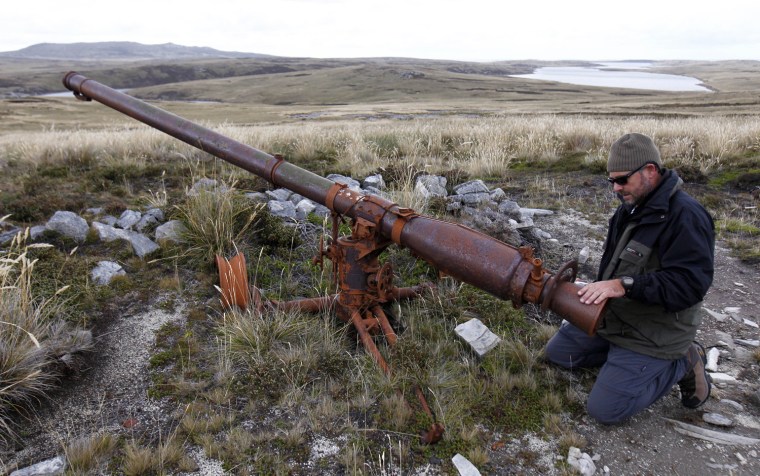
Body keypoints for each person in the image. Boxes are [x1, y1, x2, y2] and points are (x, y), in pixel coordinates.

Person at [545, 132, 715, 424]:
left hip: (654, 332)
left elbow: (690, 286)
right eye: (611, 180)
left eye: (622, 180)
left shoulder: (687, 216)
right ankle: (623, 362)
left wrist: (625, 286)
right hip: (615, 319)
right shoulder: (631, 207)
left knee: (605, 410)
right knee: (558, 355)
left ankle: (684, 361)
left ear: (650, 171)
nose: (615, 188)